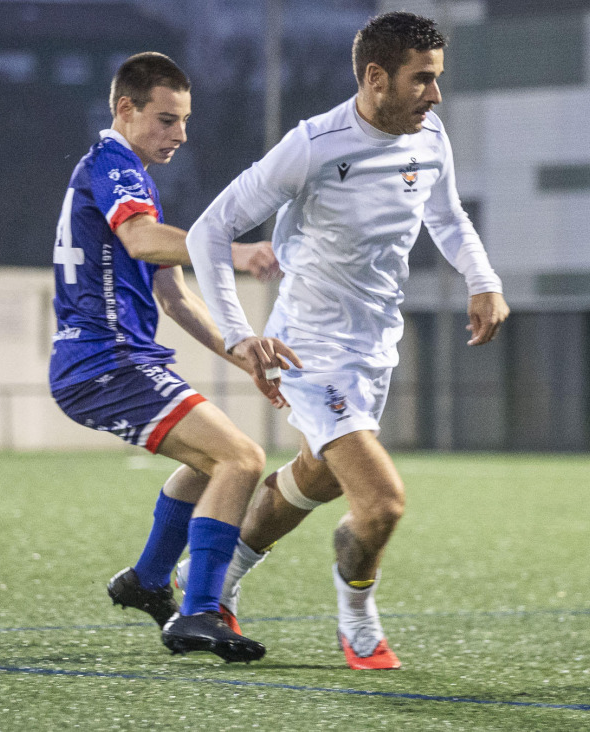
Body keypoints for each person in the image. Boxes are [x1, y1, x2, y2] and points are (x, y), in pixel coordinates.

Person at [185, 12, 509, 670]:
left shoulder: (429, 137)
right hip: (309, 350)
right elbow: (208, 232)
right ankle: (356, 615)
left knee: (318, 478)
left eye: (439, 80)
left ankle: (216, 577)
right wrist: (241, 335)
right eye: (423, 81)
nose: (436, 95)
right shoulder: (313, 145)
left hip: (372, 351)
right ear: (375, 78)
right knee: (382, 502)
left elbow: (443, 214)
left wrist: (483, 279)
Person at [48, 51, 298, 664]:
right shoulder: (112, 164)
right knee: (241, 458)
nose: (180, 134)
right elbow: (137, 237)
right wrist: (233, 252)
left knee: (217, 462)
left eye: (184, 120)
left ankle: (148, 580)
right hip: (106, 361)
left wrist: (244, 354)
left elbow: (172, 293)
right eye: (166, 119)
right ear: (126, 110)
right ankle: (197, 613)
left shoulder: (131, 176)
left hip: (117, 360)